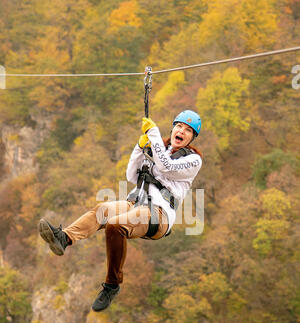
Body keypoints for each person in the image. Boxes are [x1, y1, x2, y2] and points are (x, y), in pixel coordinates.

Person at [39, 110, 202, 312]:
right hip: (136, 202)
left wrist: (153, 134)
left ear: (192, 137)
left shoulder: (193, 160)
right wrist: (140, 147)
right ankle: (65, 238)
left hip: (158, 214)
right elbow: (132, 175)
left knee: (116, 226)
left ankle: (112, 284)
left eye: (188, 130)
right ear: (173, 127)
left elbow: (167, 166)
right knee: (102, 210)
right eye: (179, 126)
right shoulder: (161, 148)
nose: (182, 131)